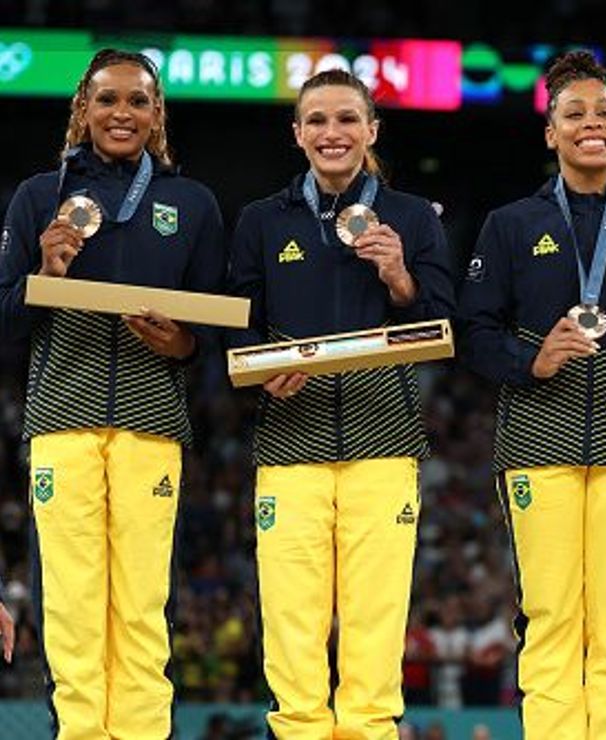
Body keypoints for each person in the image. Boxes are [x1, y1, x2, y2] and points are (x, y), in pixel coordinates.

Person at [457, 49, 606, 739]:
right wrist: (530, 359)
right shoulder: (510, 225)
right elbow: (473, 333)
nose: (592, 123)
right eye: (574, 113)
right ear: (550, 132)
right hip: (539, 445)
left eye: (605, 112)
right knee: (553, 617)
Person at [0, 48, 226, 738]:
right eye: (106, 100)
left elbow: (212, 329)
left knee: (140, 607)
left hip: (152, 426)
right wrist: (47, 270)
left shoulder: (191, 204)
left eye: (136, 101)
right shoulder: (39, 196)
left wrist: (181, 344)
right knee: (69, 607)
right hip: (61, 423)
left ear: (157, 114)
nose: (121, 114)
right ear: (83, 109)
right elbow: (7, 319)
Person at [226, 68, 454, 738]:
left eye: (347, 119)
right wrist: (261, 369)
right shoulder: (261, 221)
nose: (333, 133)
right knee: (292, 630)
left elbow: (446, 323)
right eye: (318, 121)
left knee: (375, 629)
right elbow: (239, 325)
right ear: (297, 134)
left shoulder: (411, 217)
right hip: (289, 447)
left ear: (372, 130)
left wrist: (399, 276)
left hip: (384, 444)